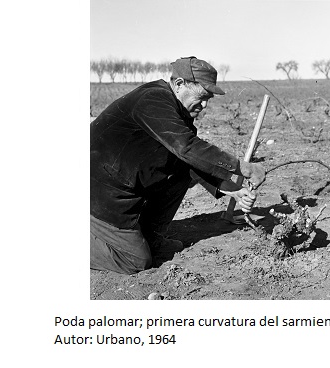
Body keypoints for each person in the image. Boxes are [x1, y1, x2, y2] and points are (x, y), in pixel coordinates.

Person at [90, 56, 266, 274]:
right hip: (99, 192)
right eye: (202, 97)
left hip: (123, 184)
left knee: (182, 172)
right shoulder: (153, 99)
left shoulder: (178, 116)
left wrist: (235, 190)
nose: (204, 105)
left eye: (208, 99)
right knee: (134, 261)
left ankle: (152, 237)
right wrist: (244, 168)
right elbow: (187, 147)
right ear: (180, 84)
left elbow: (189, 160)